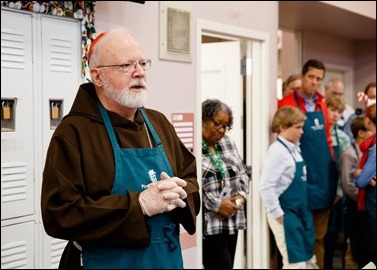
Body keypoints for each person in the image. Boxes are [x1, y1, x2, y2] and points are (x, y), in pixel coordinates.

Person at [40, 28, 201, 269]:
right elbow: (59, 213)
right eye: (126, 66)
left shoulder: (159, 123)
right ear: (97, 77)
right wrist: (139, 205)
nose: (139, 73)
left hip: (164, 260)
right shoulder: (73, 133)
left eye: (143, 63)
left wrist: (181, 192)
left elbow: (190, 177)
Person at [278, 59, 338, 269]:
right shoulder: (286, 103)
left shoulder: (322, 103)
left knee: (318, 237)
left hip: (321, 181)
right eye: (311, 77)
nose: (314, 82)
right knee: (294, 239)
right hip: (296, 181)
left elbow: (327, 141)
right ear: (303, 76)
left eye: (319, 79)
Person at [259, 106, 319, 269]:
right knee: (296, 262)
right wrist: (278, 213)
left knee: (309, 259)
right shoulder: (277, 152)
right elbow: (265, 186)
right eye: (297, 128)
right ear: (282, 127)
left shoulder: (294, 149)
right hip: (286, 214)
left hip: (300, 212)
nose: (301, 132)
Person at [201, 99, 249, 269]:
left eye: (226, 126)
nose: (221, 130)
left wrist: (240, 199)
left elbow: (242, 173)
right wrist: (217, 205)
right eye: (217, 124)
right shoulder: (191, 145)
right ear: (204, 119)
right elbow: (192, 185)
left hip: (232, 220)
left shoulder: (227, 142)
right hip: (210, 224)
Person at [339, 116, 372, 268]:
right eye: (370, 130)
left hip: (365, 207)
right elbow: (347, 184)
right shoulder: (350, 154)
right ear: (361, 133)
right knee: (354, 246)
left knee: (365, 247)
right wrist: (363, 196)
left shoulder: (369, 152)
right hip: (354, 207)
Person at [323, 96, 351, 269]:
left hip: (336, 193)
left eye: (339, 112)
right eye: (332, 110)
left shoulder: (343, 137)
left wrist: (339, 192)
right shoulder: (315, 134)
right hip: (319, 189)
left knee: (332, 235)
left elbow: (345, 170)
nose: (335, 115)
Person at [353, 103, 376, 266]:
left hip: (373, 205)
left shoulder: (374, 147)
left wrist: (358, 173)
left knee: (371, 251)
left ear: (367, 121)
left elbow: (361, 181)